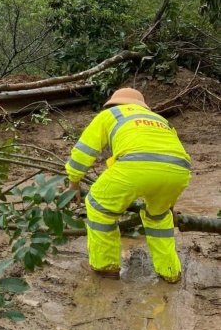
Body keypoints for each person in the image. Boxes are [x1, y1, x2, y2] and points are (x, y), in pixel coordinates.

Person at [65, 87, 191, 282]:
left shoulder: (110, 114)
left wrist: (74, 182)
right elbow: (167, 158)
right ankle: (170, 272)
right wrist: (169, 205)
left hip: (134, 166)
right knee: (158, 218)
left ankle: (105, 267)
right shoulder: (161, 121)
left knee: (99, 206)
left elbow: (84, 151)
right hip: (179, 171)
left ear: (115, 104)